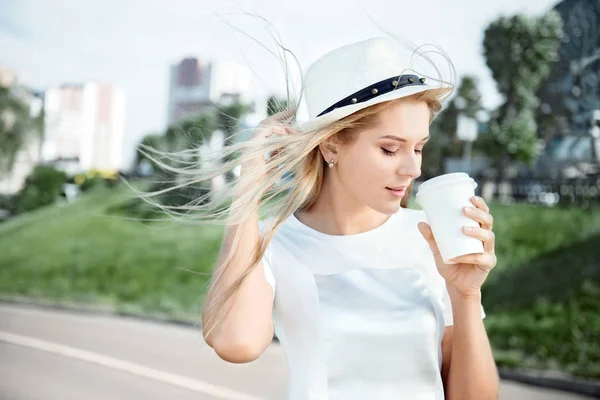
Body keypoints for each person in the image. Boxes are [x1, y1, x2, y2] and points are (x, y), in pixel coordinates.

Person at [198, 36, 499, 399]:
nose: (413, 168)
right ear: (331, 145)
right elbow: (236, 342)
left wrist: (466, 294)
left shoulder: (431, 240)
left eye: (418, 147)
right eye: (390, 149)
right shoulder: (275, 243)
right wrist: (251, 179)